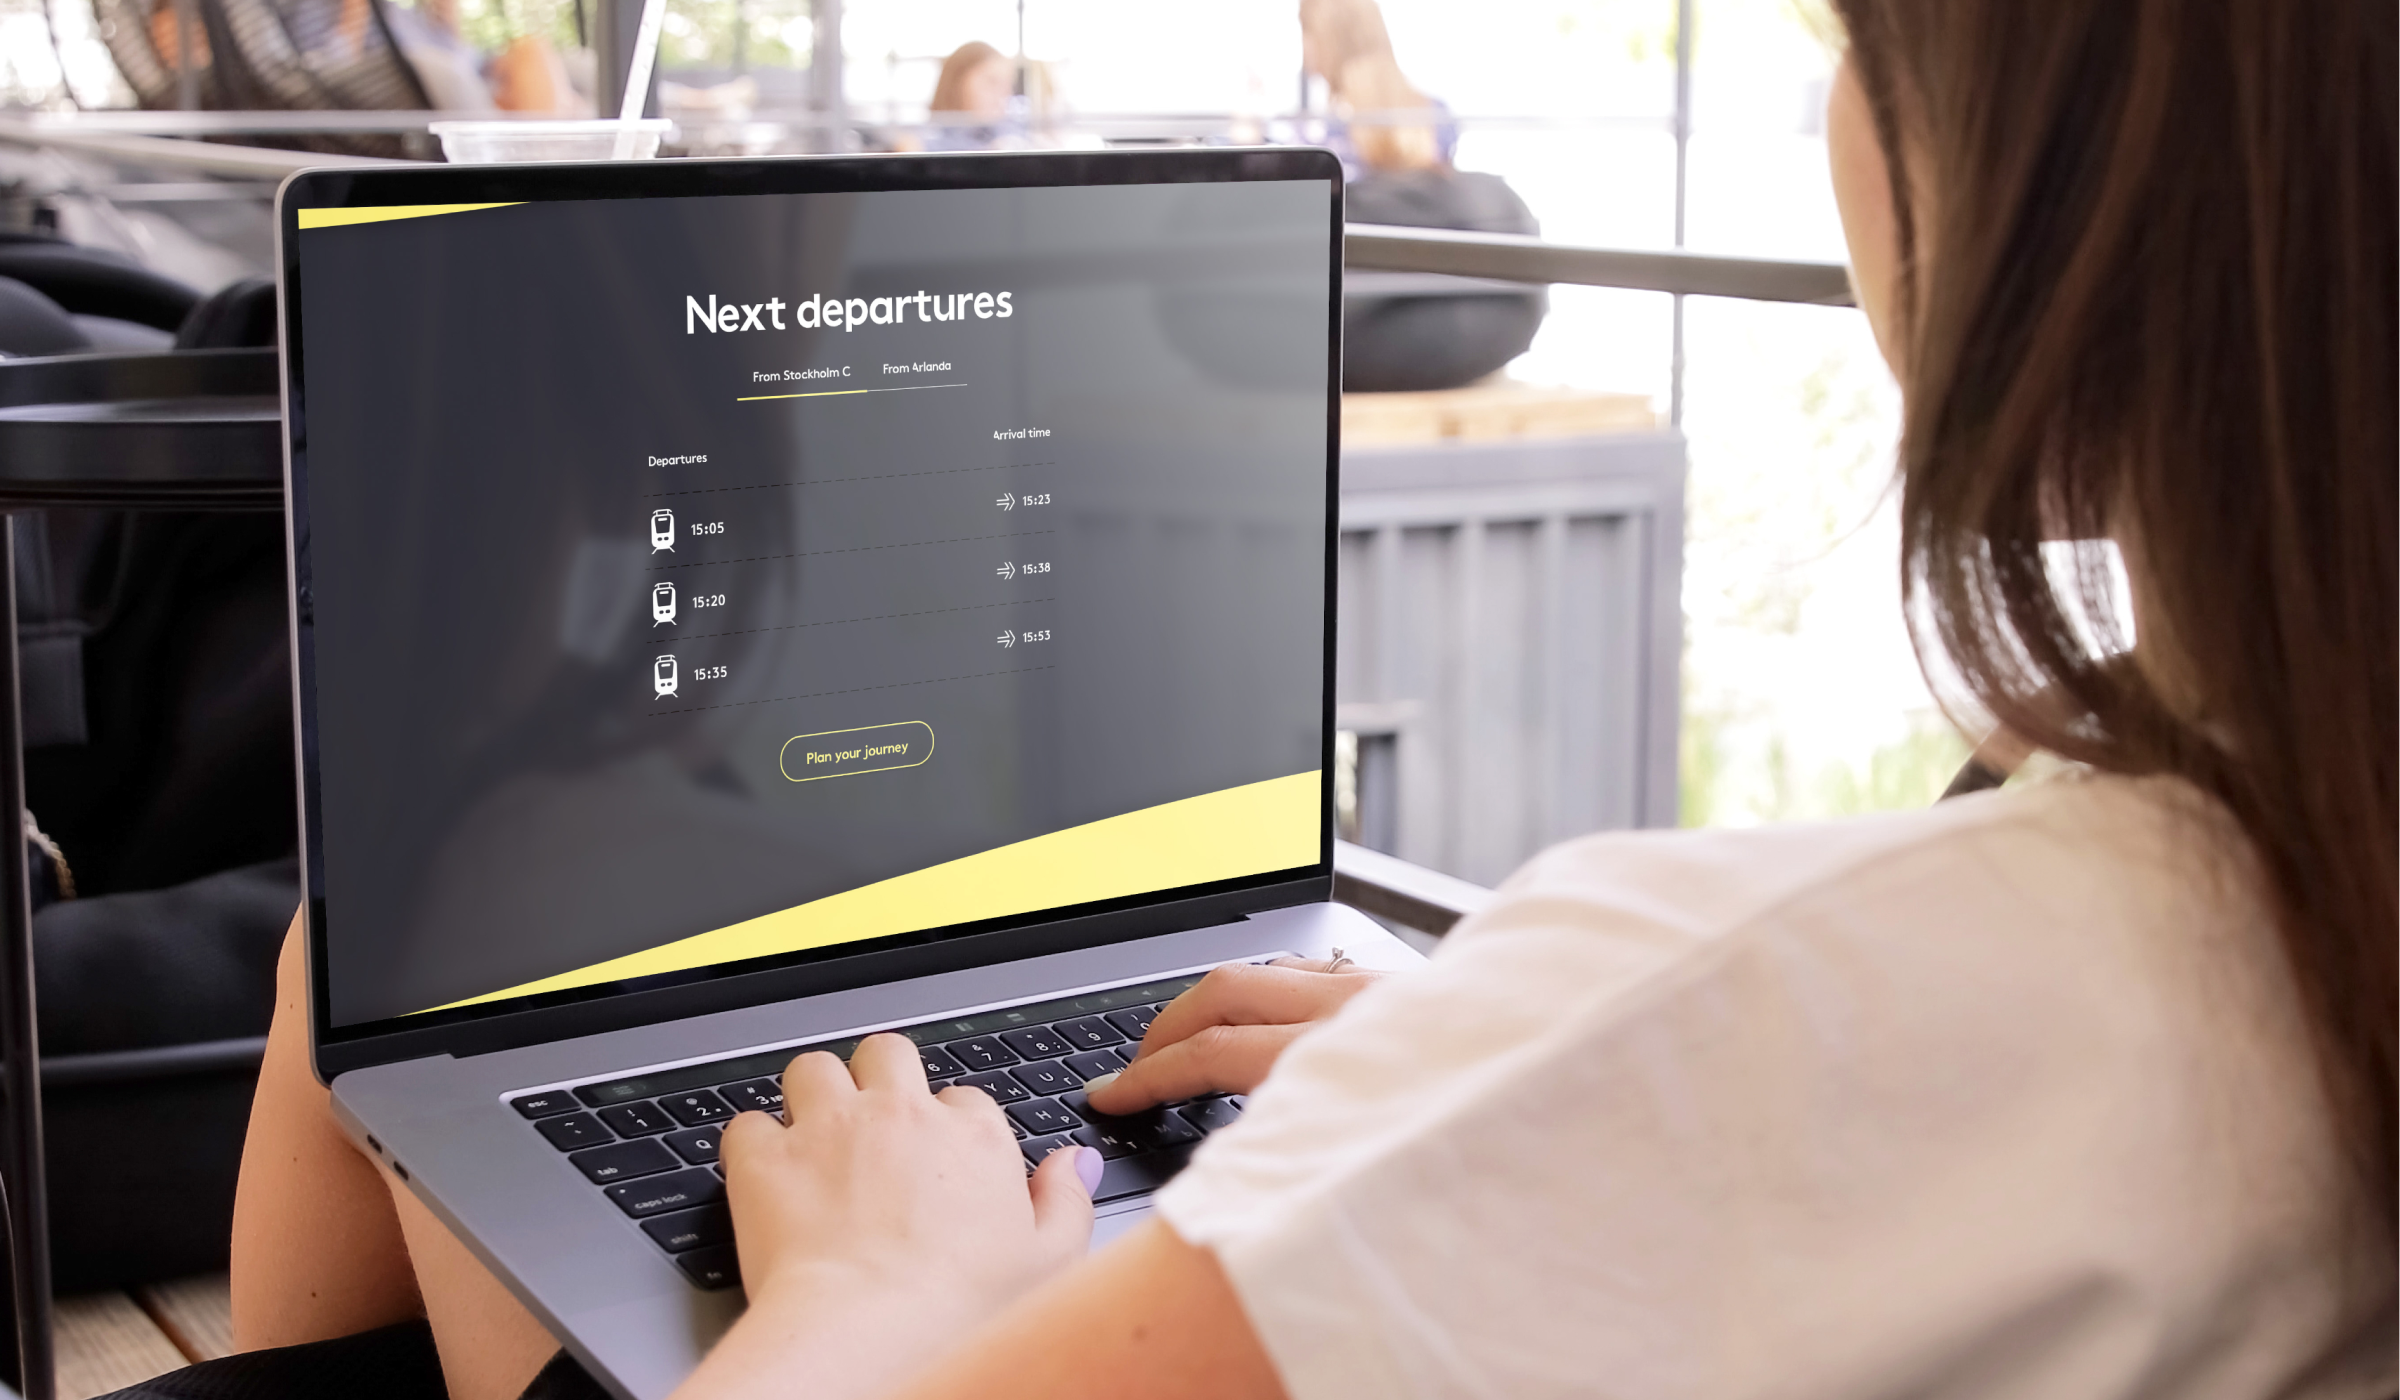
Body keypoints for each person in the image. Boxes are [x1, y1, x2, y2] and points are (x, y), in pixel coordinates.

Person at [115, 0, 2400, 1396]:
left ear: (2044, 184)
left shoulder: (1768, 1001)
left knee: (374, 977)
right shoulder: (2293, 903)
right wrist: (1500, 1062)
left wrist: (872, 1285)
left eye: (1843, 47)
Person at [1297, 0, 1547, 392]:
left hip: (1363, 293)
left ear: (1326, 40)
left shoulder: (1323, 135)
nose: (1305, 53)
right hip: (1428, 289)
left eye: (1306, 35)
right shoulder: (1432, 114)